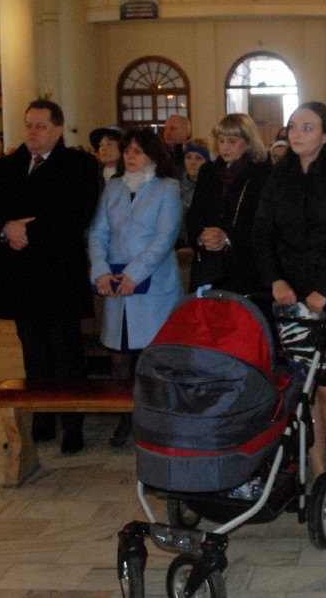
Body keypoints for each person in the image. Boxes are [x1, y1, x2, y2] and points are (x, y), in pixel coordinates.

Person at [252, 101, 326, 500]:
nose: (297, 133)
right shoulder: (280, 174)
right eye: (293, 126)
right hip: (292, 297)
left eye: (308, 127)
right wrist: (275, 279)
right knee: (305, 388)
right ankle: (317, 469)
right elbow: (262, 233)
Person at [0, 100, 101, 455]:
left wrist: (26, 232)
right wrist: (6, 227)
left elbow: (77, 215)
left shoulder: (78, 165)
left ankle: (73, 424)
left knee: (66, 352)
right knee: (33, 351)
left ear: (58, 129)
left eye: (41, 126)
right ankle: (42, 419)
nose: (33, 132)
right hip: (19, 275)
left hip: (58, 273)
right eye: (29, 125)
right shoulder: (8, 165)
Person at [88, 128, 184, 446]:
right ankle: (124, 416)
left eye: (138, 151)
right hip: (117, 285)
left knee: (153, 357)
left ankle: (157, 419)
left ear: (153, 156)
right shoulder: (114, 187)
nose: (130, 156)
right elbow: (98, 233)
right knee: (120, 357)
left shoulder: (166, 188)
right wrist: (101, 271)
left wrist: (134, 274)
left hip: (152, 286)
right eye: (127, 150)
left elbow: (164, 238)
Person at [186, 113, 270, 294]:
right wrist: (202, 237)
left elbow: (262, 220)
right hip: (208, 264)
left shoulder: (262, 172)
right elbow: (195, 213)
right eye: (221, 141)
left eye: (232, 141)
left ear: (248, 142)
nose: (225, 147)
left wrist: (227, 237)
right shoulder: (208, 170)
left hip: (246, 265)